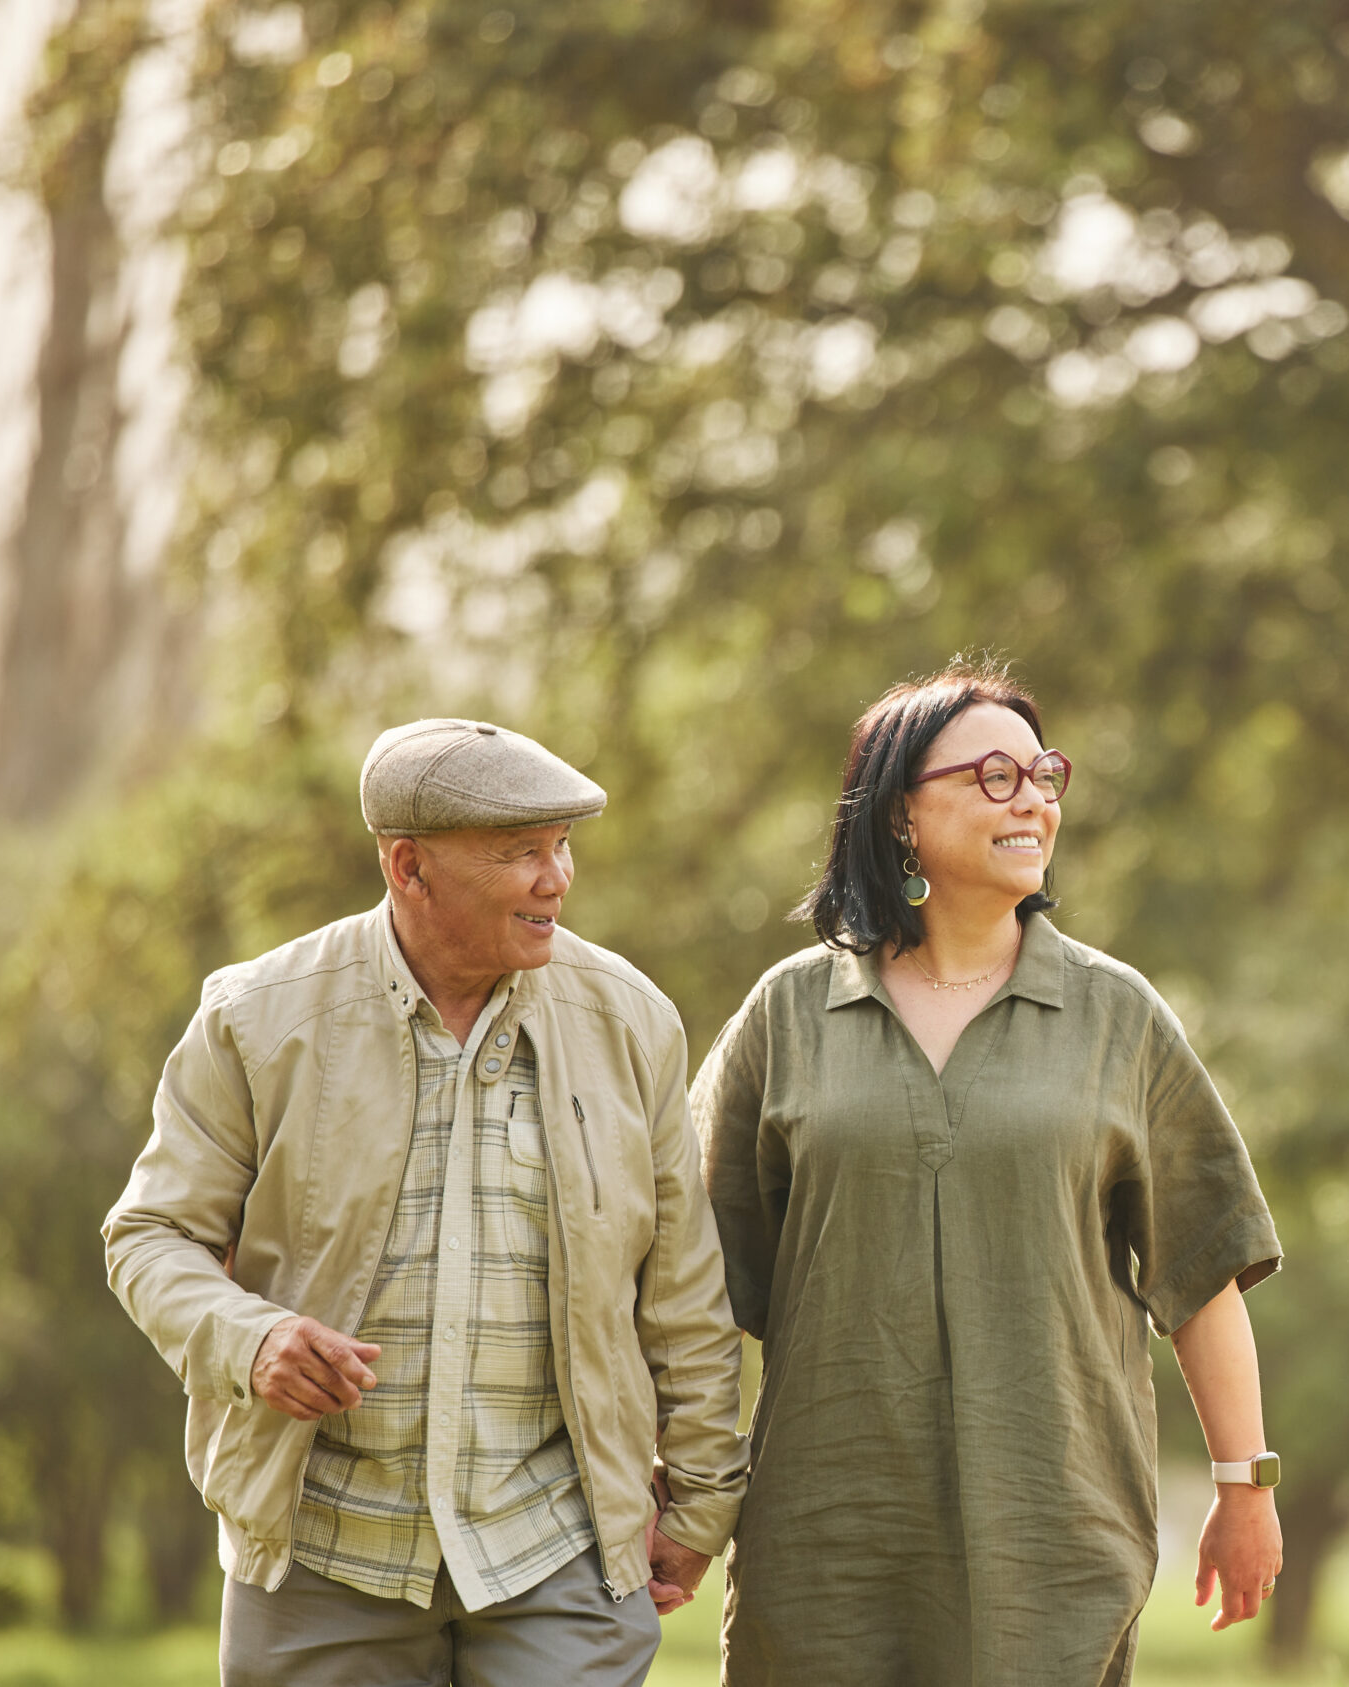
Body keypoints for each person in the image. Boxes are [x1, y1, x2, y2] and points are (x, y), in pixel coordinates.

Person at [103, 719, 748, 1687]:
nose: (556, 879)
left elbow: (682, 1288)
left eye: (561, 846)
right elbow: (150, 1236)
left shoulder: (632, 1019)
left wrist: (698, 1506)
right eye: (519, 853)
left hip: (558, 1548)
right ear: (409, 867)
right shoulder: (253, 1016)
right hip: (320, 1554)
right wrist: (251, 1339)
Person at [694, 659, 1285, 1687]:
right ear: (899, 817)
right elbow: (690, 1277)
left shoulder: (1117, 1014)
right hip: (826, 1545)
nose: (1035, 801)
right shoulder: (787, 1014)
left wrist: (1245, 1487)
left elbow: (1203, 1270)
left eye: (1044, 773)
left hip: (1052, 1541)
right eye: (993, 777)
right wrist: (681, 1486)